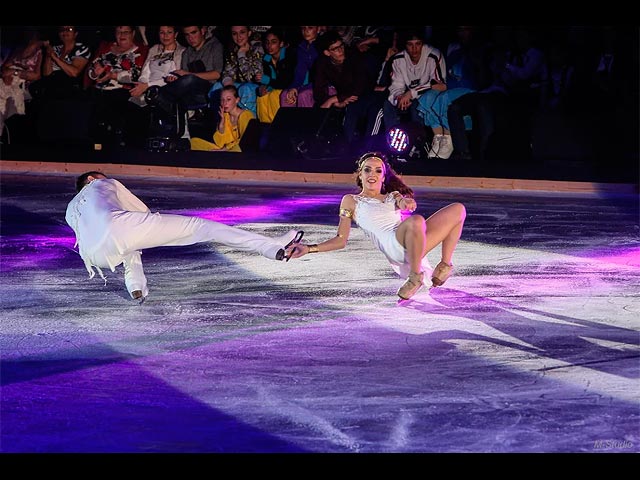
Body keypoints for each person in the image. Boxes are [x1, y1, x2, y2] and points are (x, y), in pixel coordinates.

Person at [65, 171, 304, 302]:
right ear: (90, 179)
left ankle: (135, 286)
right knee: (202, 227)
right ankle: (270, 248)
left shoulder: (70, 209)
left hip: (94, 257)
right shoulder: (103, 183)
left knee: (129, 246)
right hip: (121, 228)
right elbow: (141, 212)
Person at [286, 152, 466, 300]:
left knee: (458, 210)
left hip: (413, 243)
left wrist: (406, 202)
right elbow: (341, 240)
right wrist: (309, 248)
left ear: (383, 176)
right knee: (416, 221)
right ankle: (415, 276)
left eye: (378, 171)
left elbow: (402, 202)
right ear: (359, 174)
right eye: (367, 170)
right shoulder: (351, 201)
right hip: (394, 248)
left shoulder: (392, 195)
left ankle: (444, 265)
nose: (372, 174)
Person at [190, 84, 254, 152]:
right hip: (225, 150)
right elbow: (220, 144)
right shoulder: (225, 115)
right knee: (194, 142)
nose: (224, 103)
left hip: (240, 150)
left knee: (237, 149)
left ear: (237, 100)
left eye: (228, 99)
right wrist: (221, 128)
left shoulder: (245, 115)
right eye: (222, 100)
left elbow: (245, 141)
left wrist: (226, 149)